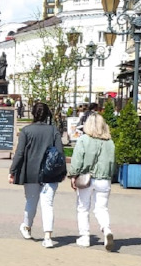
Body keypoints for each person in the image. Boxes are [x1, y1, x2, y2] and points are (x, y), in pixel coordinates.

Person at [8, 100, 65, 248]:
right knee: (48, 205)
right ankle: (48, 237)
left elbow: (19, 153)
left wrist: (13, 171)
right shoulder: (53, 130)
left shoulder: (26, 131)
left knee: (31, 201)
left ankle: (27, 227)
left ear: (33, 113)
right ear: (47, 115)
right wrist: (63, 171)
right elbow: (60, 153)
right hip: (50, 172)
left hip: (31, 172)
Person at [68, 111, 116, 250]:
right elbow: (112, 162)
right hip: (104, 179)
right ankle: (106, 229)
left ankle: (85, 237)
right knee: (101, 208)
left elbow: (77, 160)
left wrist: (73, 175)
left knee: (83, 207)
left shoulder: (84, 140)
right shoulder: (109, 142)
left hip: (86, 177)